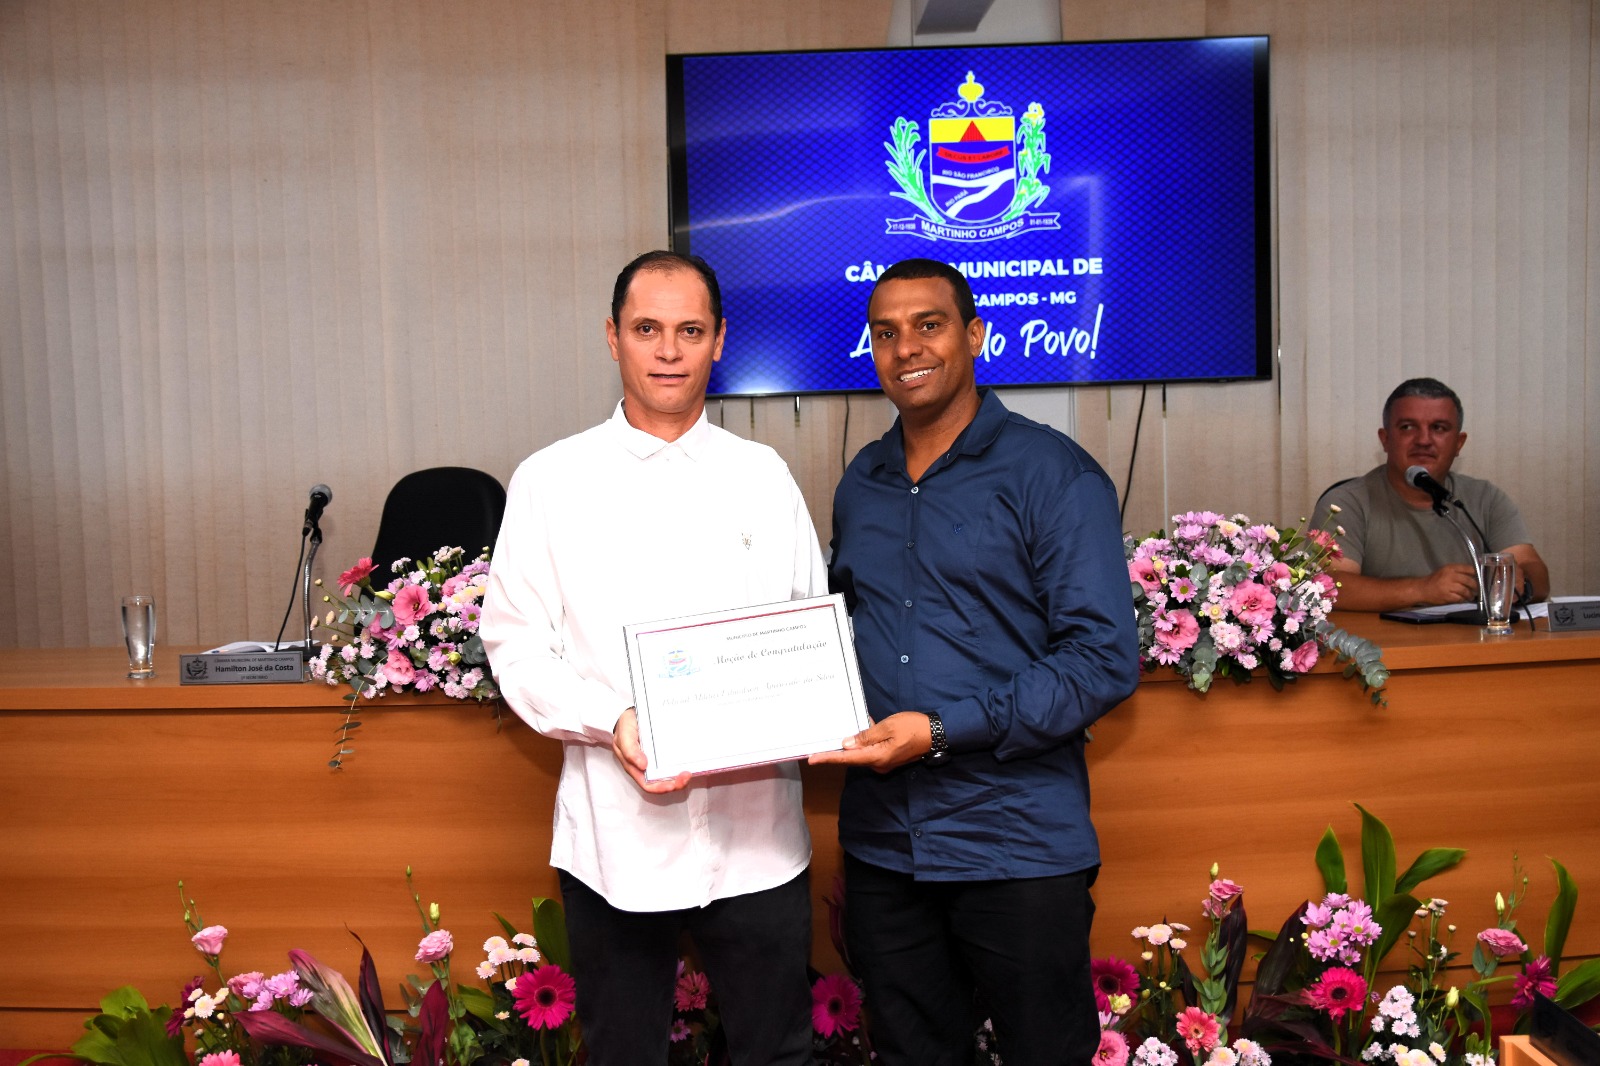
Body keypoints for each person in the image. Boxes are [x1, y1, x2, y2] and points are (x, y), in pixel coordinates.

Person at [480, 250, 824, 1065]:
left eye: (689, 331)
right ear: (612, 338)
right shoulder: (551, 481)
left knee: (778, 1053)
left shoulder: (762, 475)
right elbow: (516, 644)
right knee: (624, 1053)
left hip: (757, 840)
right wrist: (614, 720)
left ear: (719, 341)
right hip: (616, 843)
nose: (668, 351)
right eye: (646, 329)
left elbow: (806, 626)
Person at [811, 258, 1140, 1065]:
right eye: (885, 333)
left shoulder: (1052, 473)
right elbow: (842, 635)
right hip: (886, 846)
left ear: (976, 336)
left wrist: (942, 729)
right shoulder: (862, 483)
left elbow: (1102, 658)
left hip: (1014, 840)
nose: (906, 348)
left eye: (929, 325)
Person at [1314, 377, 1549, 612]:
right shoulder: (1346, 503)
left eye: (1439, 428)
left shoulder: (1485, 498)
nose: (1424, 440)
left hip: (1467, 634)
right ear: (1385, 439)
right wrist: (1421, 590)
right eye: (1408, 427)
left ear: (1459, 443)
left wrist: (1522, 584)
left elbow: (1533, 569)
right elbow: (1329, 586)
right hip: (1381, 636)